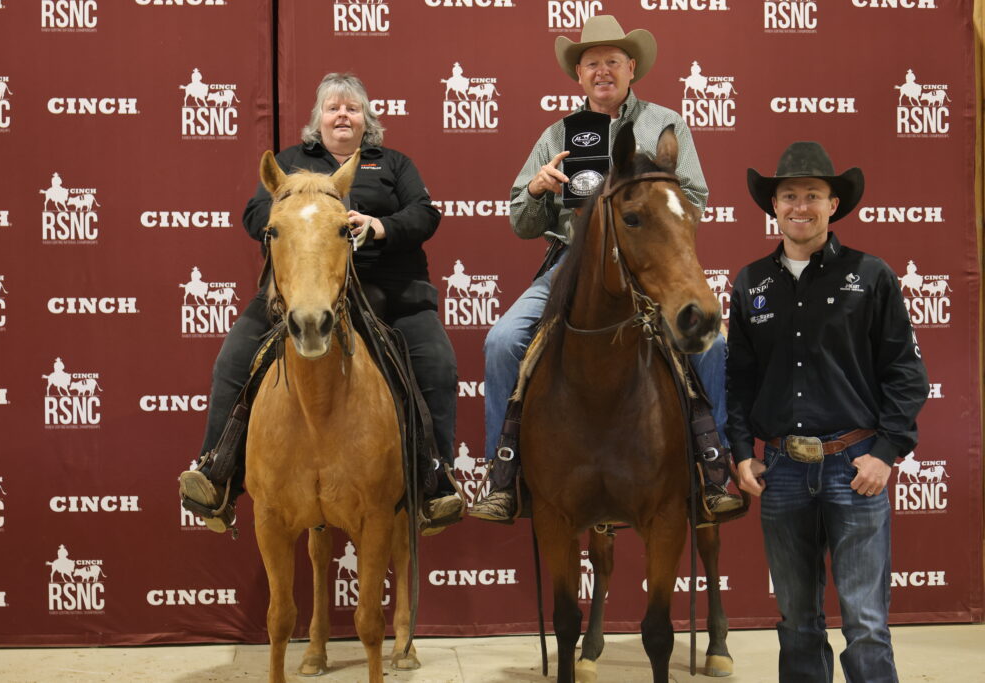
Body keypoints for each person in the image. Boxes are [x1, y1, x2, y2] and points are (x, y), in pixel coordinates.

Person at [470, 14, 740, 521]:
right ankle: (502, 473)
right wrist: (537, 189)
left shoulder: (667, 124)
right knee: (502, 341)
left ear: (631, 67)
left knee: (714, 341)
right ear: (578, 75)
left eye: (612, 61)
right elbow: (520, 222)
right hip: (575, 264)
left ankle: (714, 466)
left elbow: (695, 198)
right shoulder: (557, 135)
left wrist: (652, 199)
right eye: (591, 63)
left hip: (651, 263)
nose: (602, 71)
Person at [179, 72, 461, 534]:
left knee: (437, 365)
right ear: (319, 119)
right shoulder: (289, 163)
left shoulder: (393, 164)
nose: (343, 115)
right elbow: (254, 214)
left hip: (390, 289)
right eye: (333, 108)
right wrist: (296, 210)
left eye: (352, 108)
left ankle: (436, 478)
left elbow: (425, 213)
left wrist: (379, 226)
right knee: (233, 359)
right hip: (301, 288)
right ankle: (216, 472)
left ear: (366, 118)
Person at [727, 141, 928, 682]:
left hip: (855, 466)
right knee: (797, 621)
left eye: (812, 195)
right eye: (788, 195)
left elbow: (907, 376)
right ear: (773, 206)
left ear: (833, 204)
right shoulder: (750, 283)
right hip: (783, 471)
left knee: (865, 622)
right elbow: (739, 381)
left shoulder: (872, 275)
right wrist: (742, 452)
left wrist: (885, 454)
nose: (800, 206)